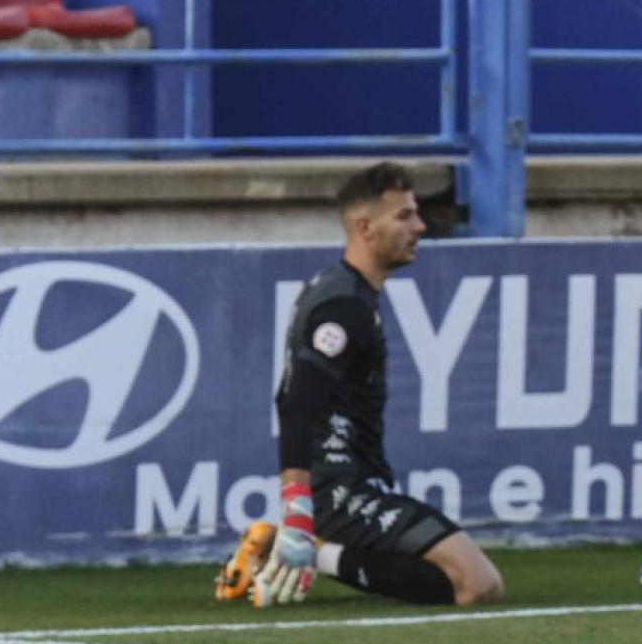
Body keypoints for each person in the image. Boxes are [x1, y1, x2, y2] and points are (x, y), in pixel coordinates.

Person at [214, 163, 506, 608]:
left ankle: (309, 552)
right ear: (366, 227)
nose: (420, 226)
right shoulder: (344, 307)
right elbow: (295, 404)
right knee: (478, 584)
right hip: (340, 489)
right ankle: (307, 551)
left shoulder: (344, 292)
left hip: (355, 484)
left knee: (459, 579)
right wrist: (299, 512)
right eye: (405, 216)